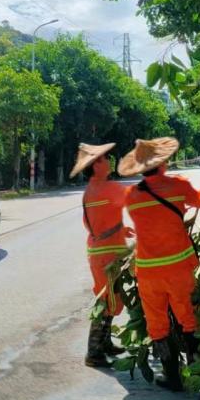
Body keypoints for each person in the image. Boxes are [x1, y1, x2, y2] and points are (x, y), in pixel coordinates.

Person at [117, 137, 200, 391]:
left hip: (148, 272)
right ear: (163, 163)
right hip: (179, 268)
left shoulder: (131, 196)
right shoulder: (177, 185)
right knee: (188, 319)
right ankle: (197, 370)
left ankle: (172, 376)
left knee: (157, 323)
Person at [70, 142, 131, 367]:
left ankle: (104, 343)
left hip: (99, 251)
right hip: (107, 255)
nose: (109, 161)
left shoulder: (91, 191)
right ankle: (93, 353)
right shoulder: (108, 188)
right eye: (105, 159)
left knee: (110, 297)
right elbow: (136, 199)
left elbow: (91, 223)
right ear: (96, 166)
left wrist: (119, 230)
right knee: (106, 300)